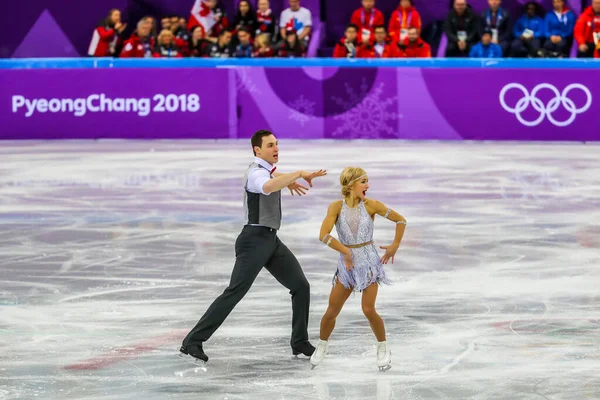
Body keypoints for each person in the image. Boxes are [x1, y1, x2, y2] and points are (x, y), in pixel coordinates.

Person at [180, 130, 327, 363]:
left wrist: (288, 181)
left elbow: (273, 182)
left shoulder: (268, 172)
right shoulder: (255, 173)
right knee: (235, 291)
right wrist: (297, 174)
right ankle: (192, 341)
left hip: (271, 241)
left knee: (301, 286)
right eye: (270, 145)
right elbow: (267, 187)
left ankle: (299, 342)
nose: (276, 148)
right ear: (257, 150)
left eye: (277, 144)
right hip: (253, 241)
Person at [310, 167, 407, 371]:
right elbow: (323, 235)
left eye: (367, 181)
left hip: (369, 263)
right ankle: (322, 345)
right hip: (346, 267)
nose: (368, 186)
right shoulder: (336, 207)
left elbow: (400, 220)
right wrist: (345, 251)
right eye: (364, 182)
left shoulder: (372, 205)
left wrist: (395, 245)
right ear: (351, 185)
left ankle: (383, 347)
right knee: (332, 310)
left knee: (368, 309)